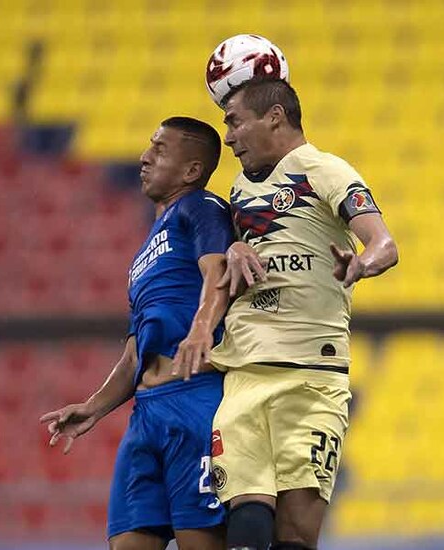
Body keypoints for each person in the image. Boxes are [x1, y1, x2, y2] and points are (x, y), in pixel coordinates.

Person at [207, 77, 399, 550]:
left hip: (312, 376)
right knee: (246, 521)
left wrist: (361, 263)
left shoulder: (324, 170)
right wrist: (232, 248)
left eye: (234, 122)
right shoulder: (238, 187)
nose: (227, 136)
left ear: (274, 116)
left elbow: (385, 245)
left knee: (295, 532)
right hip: (244, 373)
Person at [40, 116, 235, 550]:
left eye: (160, 150)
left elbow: (217, 271)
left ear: (191, 171)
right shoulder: (144, 255)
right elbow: (133, 354)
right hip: (146, 414)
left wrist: (203, 326)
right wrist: (94, 407)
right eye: (149, 147)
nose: (144, 157)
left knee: (200, 542)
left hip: (196, 401)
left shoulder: (201, 208)